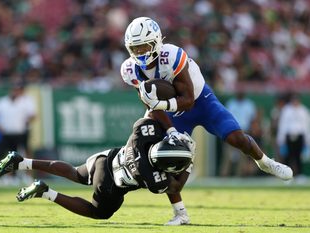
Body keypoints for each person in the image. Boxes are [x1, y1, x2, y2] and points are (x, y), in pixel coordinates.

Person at [120, 17, 293, 225]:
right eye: (135, 48)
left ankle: (265, 162)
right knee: (168, 165)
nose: (139, 53)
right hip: (172, 113)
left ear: (156, 41)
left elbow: (189, 101)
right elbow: (149, 105)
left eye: (143, 47)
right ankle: (181, 214)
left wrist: (160, 106)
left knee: (236, 138)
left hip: (201, 102)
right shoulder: (129, 70)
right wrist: (171, 130)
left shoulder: (172, 56)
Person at [0, 116, 196, 221]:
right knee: (99, 213)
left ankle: (22, 162)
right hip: (109, 185)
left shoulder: (143, 133)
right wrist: (190, 163)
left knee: (74, 172)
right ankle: (45, 192)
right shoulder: (155, 178)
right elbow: (176, 187)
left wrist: (171, 132)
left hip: (105, 158)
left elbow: (151, 114)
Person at [0, 81, 36, 184]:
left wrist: (25, 121)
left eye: (18, 89)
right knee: (5, 156)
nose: (16, 91)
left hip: (21, 133)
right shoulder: (2, 102)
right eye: (15, 89)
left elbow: (33, 115)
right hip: (6, 134)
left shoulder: (26, 101)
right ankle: (6, 176)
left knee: (24, 155)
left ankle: (27, 176)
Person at [220, 90, 257, 177]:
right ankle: (224, 177)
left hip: (244, 132)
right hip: (231, 132)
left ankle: (238, 177)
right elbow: (225, 119)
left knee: (242, 157)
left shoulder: (249, 105)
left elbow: (253, 120)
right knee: (227, 156)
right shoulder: (231, 103)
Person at [277, 93, 310, 178]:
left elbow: (306, 126)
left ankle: (299, 174)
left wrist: (307, 140)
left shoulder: (304, 111)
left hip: (300, 136)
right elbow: (283, 125)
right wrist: (281, 138)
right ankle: (286, 176)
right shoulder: (286, 110)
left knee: (298, 156)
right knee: (288, 157)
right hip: (289, 136)